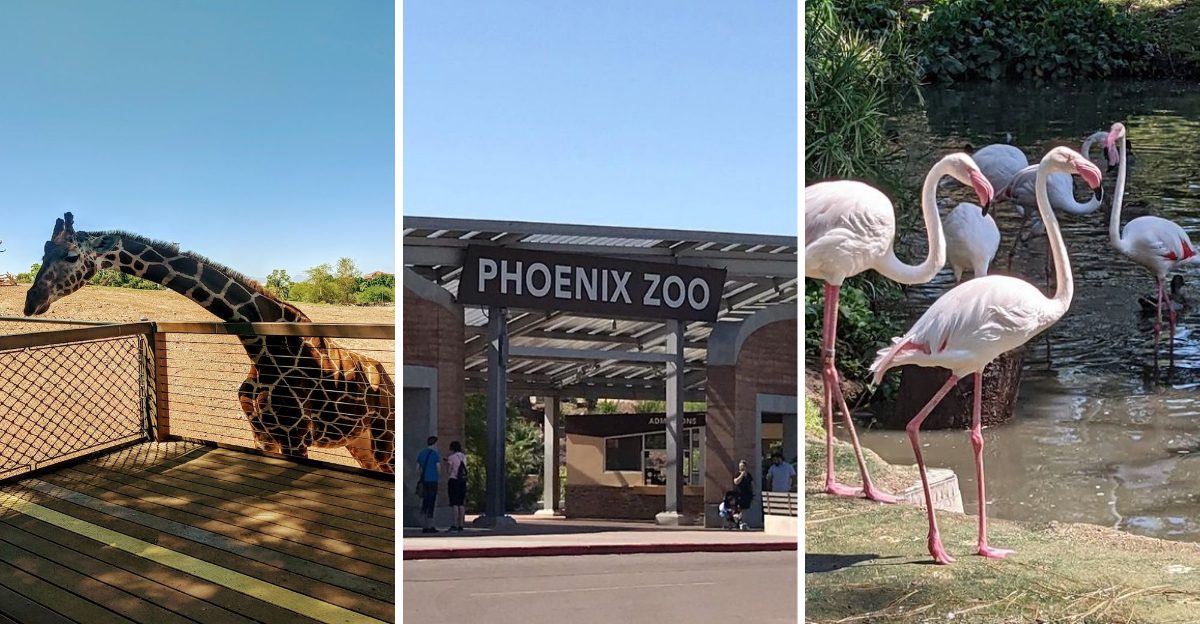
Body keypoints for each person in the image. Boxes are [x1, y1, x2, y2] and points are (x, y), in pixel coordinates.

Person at [416, 436, 440, 533]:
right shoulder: (435, 454)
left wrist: (422, 475)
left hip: (425, 480)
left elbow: (417, 468)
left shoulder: (421, 453)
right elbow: (438, 468)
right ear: (434, 444)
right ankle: (431, 525)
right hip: (433, 480)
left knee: (425, 502)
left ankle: (425, 525)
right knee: (432, 502)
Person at [445, 441, 468, 532]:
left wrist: (446, 464)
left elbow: (449, 471)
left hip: (454, 480)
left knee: (454, 503)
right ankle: (461, 524)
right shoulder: (463, 457)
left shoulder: (451, 457)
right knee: (461, 503)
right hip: (462, 481)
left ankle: (454, 524)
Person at [733, 459, 753, 528]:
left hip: (747, 495)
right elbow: (736, 482)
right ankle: (739, 521)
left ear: (746, 467)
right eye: (740, 466)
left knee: (745, 509)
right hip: (739, 495)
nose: (741, 467)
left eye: (743, 466)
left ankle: (741, 522)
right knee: (739, 509)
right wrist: (741, 475)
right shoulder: (737, 474)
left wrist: (752, 493)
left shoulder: (749, 475)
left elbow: (751, 484)